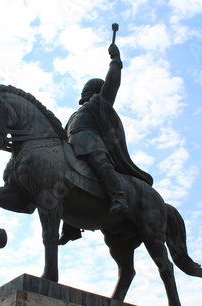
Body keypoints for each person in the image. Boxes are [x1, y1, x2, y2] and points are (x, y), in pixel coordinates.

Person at [59, 43, 153, 245]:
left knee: (101, 166)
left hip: (91, 146)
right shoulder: (74, 115)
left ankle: (119, 197)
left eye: (86, 89)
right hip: (71, 149)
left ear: (94, 92)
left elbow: (112, 83)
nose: (83, 93)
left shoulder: (98, 104)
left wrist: (116, 61)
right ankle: (70, 226)